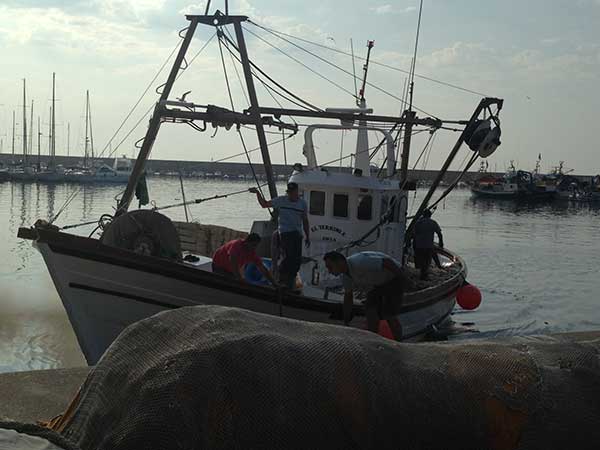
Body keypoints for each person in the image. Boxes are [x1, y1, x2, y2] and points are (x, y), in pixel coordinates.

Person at [323, 251, 408, 341]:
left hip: (393, 276)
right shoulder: (345, 278)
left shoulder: (359, 261)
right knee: (370, 311)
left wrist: (405, 279)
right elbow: (348, 298)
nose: (329, 271)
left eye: (330, 267)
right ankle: (373, 340)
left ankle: (399, 343)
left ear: (339, 262)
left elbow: (387, 262)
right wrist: (346, 321)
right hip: (377, 284)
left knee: (388, 313)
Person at [249, 183, 310, 289]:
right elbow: (264, 204)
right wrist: (258, 193)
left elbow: (305, 220)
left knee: (296, 259)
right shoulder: (281, 200)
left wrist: (307, 236)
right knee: (288, 257)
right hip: (285, 232)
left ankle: (291, 280)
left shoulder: (302, 204)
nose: (291, 195)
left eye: (293, 193)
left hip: (297, 233)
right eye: (289, 193)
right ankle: (282, 280)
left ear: (297, 192)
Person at [212, 233, 276, 285]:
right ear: (246, 242)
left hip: (230, 271)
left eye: (256, 246)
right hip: (218, 265)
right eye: (253, 245)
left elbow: (263, 268)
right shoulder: (237, 245)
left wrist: (274, 283)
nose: (254, 248)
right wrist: (239, 278)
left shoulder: (252, 254)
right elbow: (233, 261)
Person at [413, 209, 444, 280]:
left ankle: (423, 274)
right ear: (430, 215)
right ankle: (425, 275)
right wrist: (441, 243)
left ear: (423, 215)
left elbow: (414, 235)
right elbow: (439, 234)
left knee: (421, 260)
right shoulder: (433, 222)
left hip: (419, 245)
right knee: (427, 261)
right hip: (428, 245)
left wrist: (414, 245)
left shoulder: (418, 223)